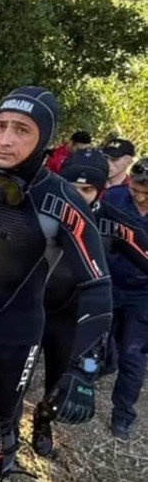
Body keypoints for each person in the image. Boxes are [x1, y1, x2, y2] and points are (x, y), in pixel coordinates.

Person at [0, 87, 111, 482]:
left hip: (16, 328)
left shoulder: (63, 202)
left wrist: (83, 368)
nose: (4, 140)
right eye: (0, 126)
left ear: (44, 141)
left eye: (21, 130)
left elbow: (97, 286)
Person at [34, 150, 148, 454]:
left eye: (86, 190)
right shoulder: (39, 205)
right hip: (30, 308)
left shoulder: (114, 224)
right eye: (70, 188)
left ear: (100, 191)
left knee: (59, 382)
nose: (77, 197)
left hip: (71, 315)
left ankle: (43, 423)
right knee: (13, 377)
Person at [102, 157, 148, 439]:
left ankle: (122, 415)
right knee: (100, 343)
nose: (140, 198)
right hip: (108, 283)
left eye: (147, 194)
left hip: (142, 294)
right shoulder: (115, 198)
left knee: (133, 354)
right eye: (136, 190)